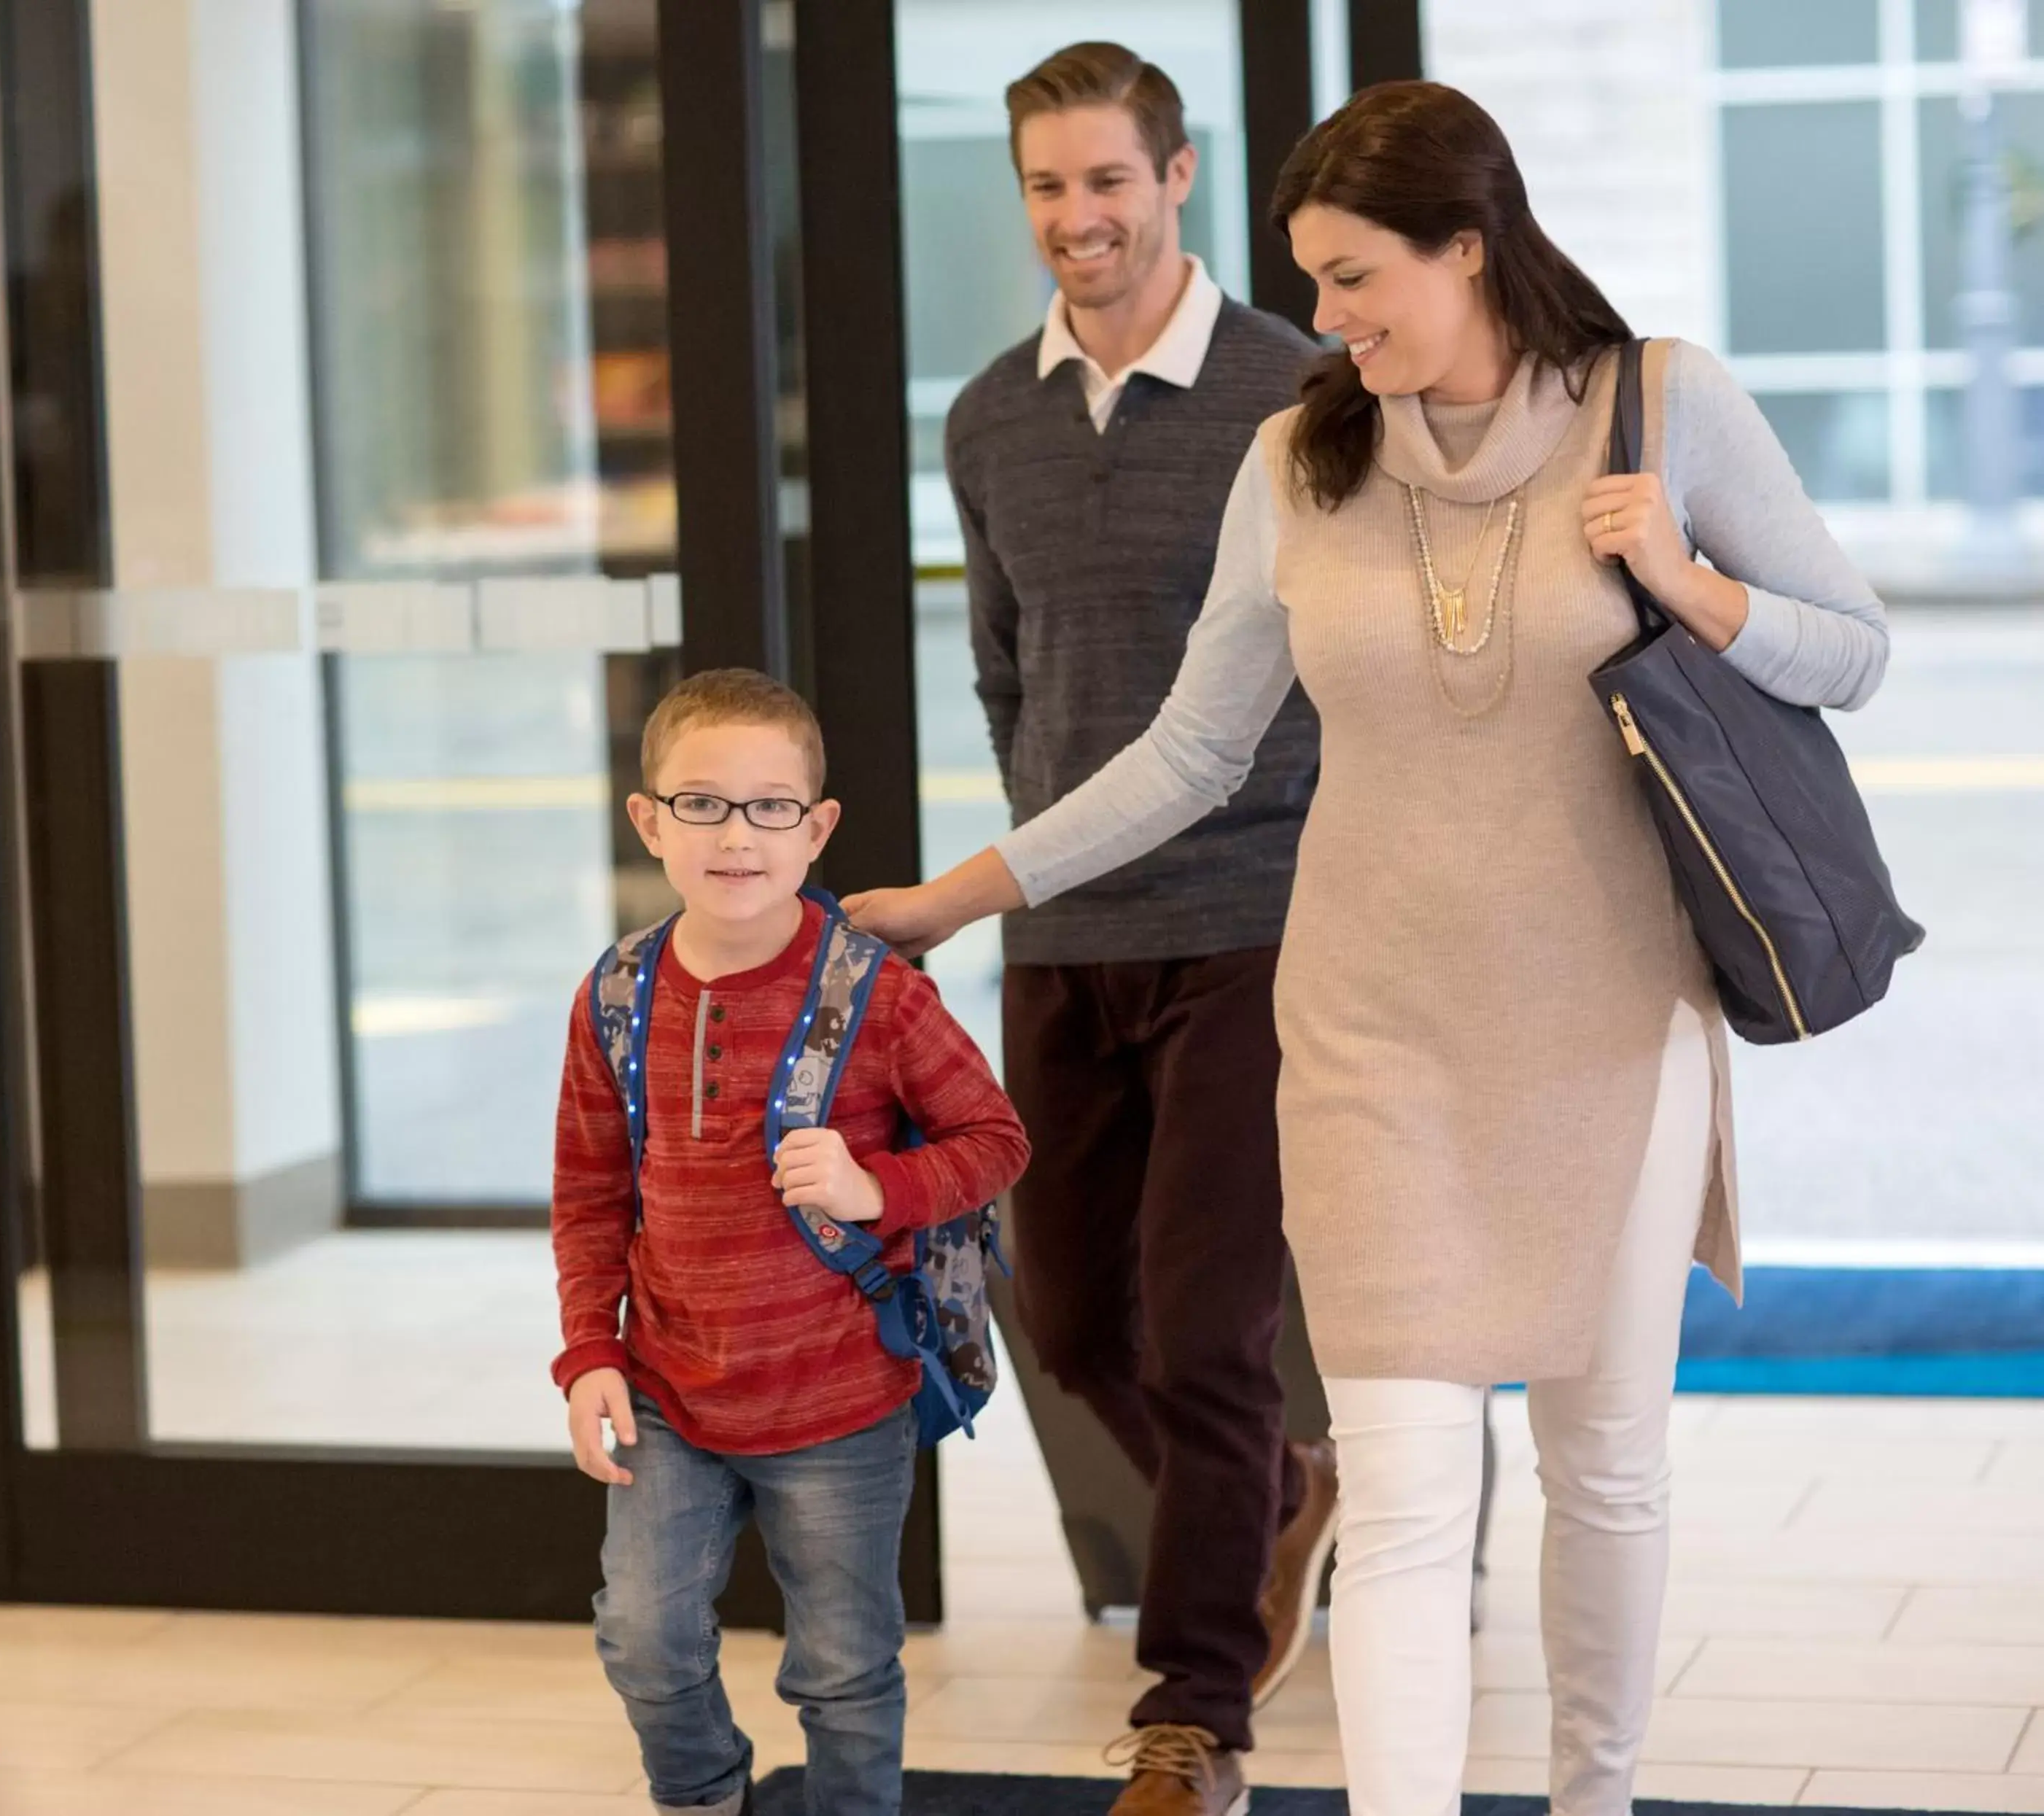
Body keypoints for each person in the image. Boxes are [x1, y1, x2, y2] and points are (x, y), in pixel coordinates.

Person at [852, 81, 1891, 1816]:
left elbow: (1850, 652)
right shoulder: (1301, 457)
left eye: (1353, 283)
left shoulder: (1662, 404)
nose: (1325, 326)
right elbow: (1194, 747)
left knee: (1605, 1467)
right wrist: (966, 894)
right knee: (1405, 1492)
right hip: (1367, 1034)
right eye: (1312, 287)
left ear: (1467, 248)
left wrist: (1692, 584)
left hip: (1608, 1023)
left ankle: (1593, 1796)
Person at [941, 43, 1342, 1811]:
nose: (1076, 219)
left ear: (1178, 180)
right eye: (1045, 186)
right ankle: (1277, 1493)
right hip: (1065, 928)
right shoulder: (985, 417)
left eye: (1108, 181)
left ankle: (1194, 1720)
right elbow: (1007, 671)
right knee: (1080, 1325)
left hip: (1260, 921)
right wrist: (1036, 858)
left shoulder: (1302, 392)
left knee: (1202, 1329)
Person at [553, 669, 1030, 1816]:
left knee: (845, 1668)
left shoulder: (878, 994)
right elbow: (588, 1187)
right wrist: (589, 1352)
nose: (736, 834)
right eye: (703, 803)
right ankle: (708, 1794)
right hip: (672, 1387)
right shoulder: (618, 991)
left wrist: (878, 1186)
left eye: (772, 807)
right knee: (644, 1634)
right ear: (648, 820)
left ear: (817, 829)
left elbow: (996, 1138)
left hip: (839, 1398)